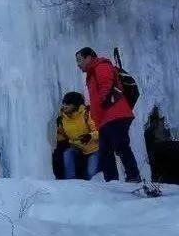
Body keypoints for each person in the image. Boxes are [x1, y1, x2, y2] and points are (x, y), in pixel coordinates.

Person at [76, 47, 141, 183]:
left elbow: (106, 84)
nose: (78, 64)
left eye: (80, 60)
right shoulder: (93, 72)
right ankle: (112, 181)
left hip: (115, 115)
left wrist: (100, 103)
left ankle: (133, 177)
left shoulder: (101, 66)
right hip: (107, 118)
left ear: (89, 58)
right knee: (106, 152)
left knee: (120, 145)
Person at [56, 91, 100, 180]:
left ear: (75, 105)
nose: (64, 106)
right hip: (78, 149)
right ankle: (71, 181)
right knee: (67, 153)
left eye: (68, 104)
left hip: (93, 150)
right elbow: (62, 136)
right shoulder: (62, 119)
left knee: (90, 173)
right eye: (64, 103)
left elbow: (100, 132)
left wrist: (90, 136)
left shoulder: (86, 114)